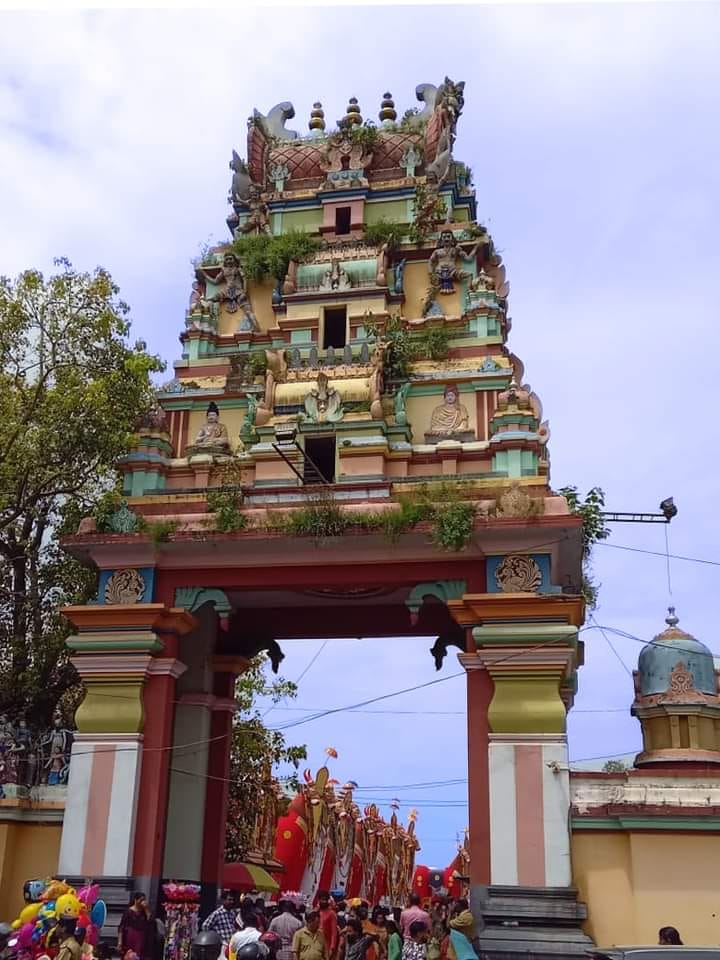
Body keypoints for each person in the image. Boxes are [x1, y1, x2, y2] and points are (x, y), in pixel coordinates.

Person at [119, 893, 156, 960]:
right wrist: (120, 942)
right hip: (131, 935)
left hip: (141, 935)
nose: (142, 902)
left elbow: (150, 920)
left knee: (139, 954)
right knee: (129, 954)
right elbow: (121, 927)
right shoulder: (129, 911)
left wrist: (146, 909)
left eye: (144, 900)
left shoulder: (144, 911)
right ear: (136, 900)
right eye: (141, 900)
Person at [317, 893, 338, 960]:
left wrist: (332, 948)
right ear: (319, 900)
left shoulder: (332, 914)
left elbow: (334, 932)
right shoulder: (316, 912)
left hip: (326, 945)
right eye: (322, 899)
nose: (324, 901)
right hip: (315, 944)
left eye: (326, 900)